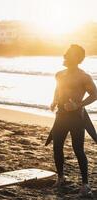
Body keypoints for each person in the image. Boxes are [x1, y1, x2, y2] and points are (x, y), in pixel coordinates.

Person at [46, 44, 97, 197]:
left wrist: (78, 105)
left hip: (76, 118)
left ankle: (85, 185)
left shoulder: (84, 77)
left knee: (78, 150)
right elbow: (58, 88)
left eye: (67, 54)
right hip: (61, 116)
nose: (64, 56)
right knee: (57, 147)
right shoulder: (59, 74)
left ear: (75, 58)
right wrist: (54, 101)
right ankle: (61, 177)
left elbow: (94, 95)